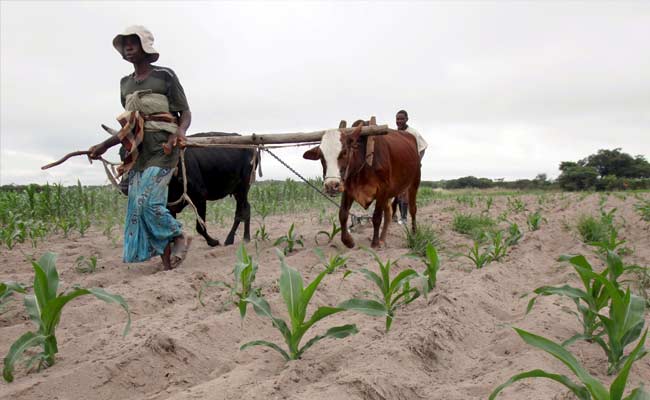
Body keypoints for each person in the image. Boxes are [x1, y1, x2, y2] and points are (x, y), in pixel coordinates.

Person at [89, 25, 192, 270]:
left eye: (133, 42)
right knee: (136, 207)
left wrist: (180, 132)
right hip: (137, 152)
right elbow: (132, 124)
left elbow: (184, 112)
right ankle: (167, 259)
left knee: (149, 203)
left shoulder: (165, 76)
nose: (128, 47)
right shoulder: (125, 83)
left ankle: (179, 235)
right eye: (124, 44)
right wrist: (103, 145)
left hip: (163, 148)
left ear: (145, 47)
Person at [393, 109, 427, 225]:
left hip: (410, 167)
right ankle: (395, 215)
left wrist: (417, 162)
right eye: (397, 119)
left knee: (405, 192)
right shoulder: (394, 133)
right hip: (397, 166)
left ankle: (404, 217)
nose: (399, 121)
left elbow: (422, 148)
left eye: (402, 119)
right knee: (396, 192)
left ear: (407, 119)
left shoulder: (413, 133)